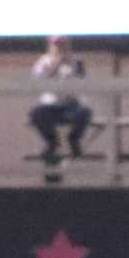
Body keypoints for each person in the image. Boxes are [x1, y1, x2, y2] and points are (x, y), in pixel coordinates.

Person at [29, 35, 92, 166]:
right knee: (36, 114)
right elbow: (38, 80)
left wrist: (72, 65)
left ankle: (74, 140)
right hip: (50, 106)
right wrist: (56, 64)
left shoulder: (76, 61)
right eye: (57, 44)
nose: (60, 47)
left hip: (71, 105)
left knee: (85, 112)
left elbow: (82, 81)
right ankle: (52, 142)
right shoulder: (43, 61)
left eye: (63, 44)